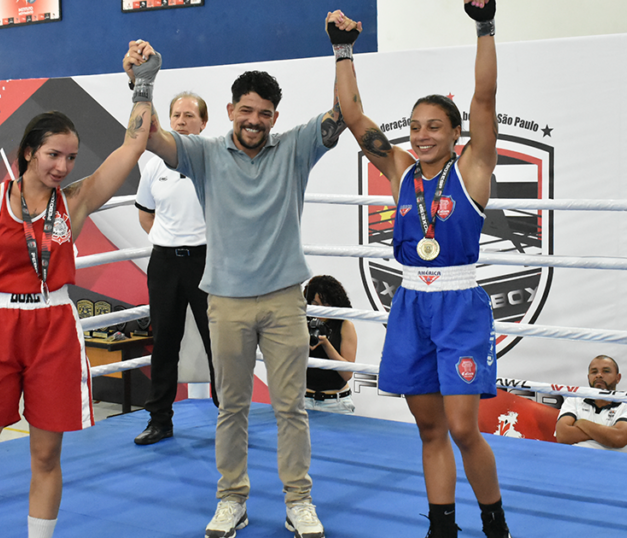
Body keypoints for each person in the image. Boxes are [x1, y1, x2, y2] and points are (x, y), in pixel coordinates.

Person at [125, 32, 346, 538]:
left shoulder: (294, 148)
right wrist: (143, 82)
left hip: (285, 301)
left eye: (264, 113)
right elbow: (145, 136)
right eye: (246, 110)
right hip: (224, 299)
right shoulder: (202, 154)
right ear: (229, 109)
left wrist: (342, 51)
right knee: (234, 409)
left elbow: (345, 112)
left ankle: (299, 500)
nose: (254, 120)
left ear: (274, 115)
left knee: (291, 407)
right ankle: (231, 499)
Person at [0, 83, 154, 538]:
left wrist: (143, 86)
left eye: (71, 158)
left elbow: (133, 145)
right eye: (54, 155)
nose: (63, 166)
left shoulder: (73, 201)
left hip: (52, 328)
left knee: (45, 457)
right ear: (29, 152)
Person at [330, 4, 510, 537]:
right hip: (410, 303)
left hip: (458, 304)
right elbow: (355, 117)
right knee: (429, 427)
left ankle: (495, 523)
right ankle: (442, 526)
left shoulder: (473, 168)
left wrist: (484, 27)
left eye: (434, 126)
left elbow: (485, 97)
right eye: (414, 126)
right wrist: (343, 51)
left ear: (457, 133)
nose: (422, 134)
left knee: (462, 427)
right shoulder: (401, 171)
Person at [132, 91, 218, 446]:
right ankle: (159, 420)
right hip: (165, 262)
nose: (181, 120)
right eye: (176, 115)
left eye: (189, 115)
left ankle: (229, 417)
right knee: (164, 342)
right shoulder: (153, 163)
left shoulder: (215, 159)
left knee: (221, 343)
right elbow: (144, 212)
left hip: (207, 260)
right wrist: (170, 241)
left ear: (204, 122)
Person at [555, 355, 627, 453]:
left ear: (618, 378)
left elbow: (618, 438)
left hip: (610, 465)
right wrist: (606, 433)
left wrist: (581, 422)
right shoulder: (574, 399)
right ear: (589, 377)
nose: (599, 375)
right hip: (573, 459)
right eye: (594, 372)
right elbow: (563, 435)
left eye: (606, 371)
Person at [303, 275, 358, 415]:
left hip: (336, 403)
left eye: (326, 304)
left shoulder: (344, 325)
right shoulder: (301, 321)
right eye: (315, 304)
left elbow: (347, 374)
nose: (320, 309)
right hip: (303, 399)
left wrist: (326, 344)